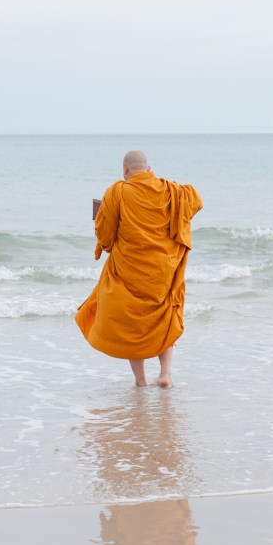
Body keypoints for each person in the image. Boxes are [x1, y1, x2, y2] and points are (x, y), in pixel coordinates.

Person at [76, 150, 203, 388]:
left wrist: (105, 242)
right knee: (164, 318)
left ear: (125, 170)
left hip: (129, 269)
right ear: (148, 168)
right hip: (163, 269)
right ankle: (165, 374)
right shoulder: (172, 190)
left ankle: (141, 381)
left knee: (132, 324)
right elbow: (194, 199)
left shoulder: (118, 192)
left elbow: (105, 233)